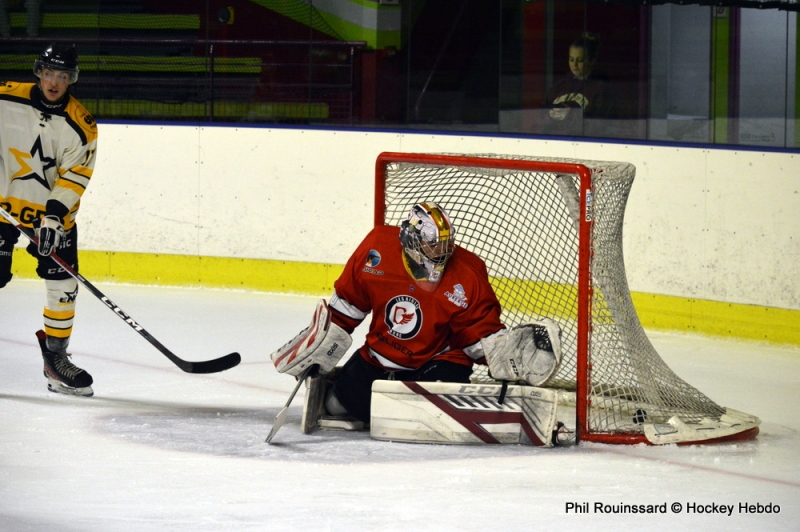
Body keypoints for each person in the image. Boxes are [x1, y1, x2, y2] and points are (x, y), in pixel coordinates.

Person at [271, 202, 562, 433]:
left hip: (438, 361)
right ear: (410, 241)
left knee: (435, 408)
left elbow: (476, 332)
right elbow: (348, 305)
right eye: (433, 245)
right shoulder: (376, 250)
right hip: (379, 358)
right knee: (338, 405)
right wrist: (321, 344)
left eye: (446, 245)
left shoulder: (467, 272)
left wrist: (505, 354)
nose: (442, 252)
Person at [0, 43, 98, 397]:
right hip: (2, 206)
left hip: (52, 217)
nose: (55, 82)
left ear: (71, 79)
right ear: (38, 72)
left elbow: (75, 176)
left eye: (63, 76)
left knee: (63, 287)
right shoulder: (5, 98)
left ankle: (55, 360)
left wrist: (54, 219)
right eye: (49, 73)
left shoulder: (81, 125)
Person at [543, 32, 614, 135]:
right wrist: (549, 116)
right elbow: (540, 119)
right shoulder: (559, 87)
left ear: (592, 61)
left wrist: (571, 115)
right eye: (571, 59)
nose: (574, 64)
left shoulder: (601, 90)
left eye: (580, 60)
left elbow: (600, 126)